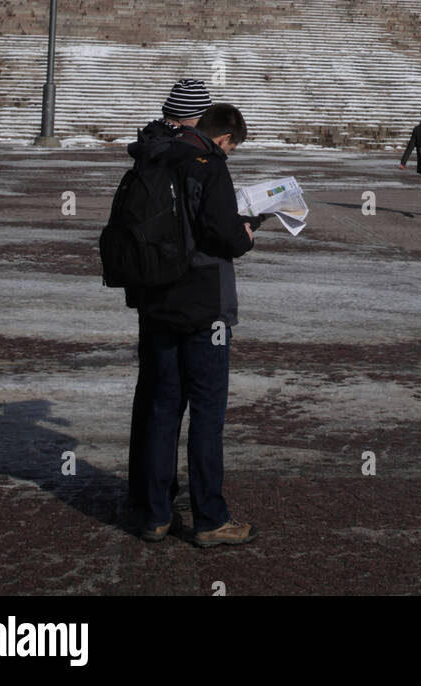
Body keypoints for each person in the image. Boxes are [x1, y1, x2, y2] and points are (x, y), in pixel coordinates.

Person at [131, 102, 262, 547]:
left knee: (163, 408)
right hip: (204, 305)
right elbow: (224, 234)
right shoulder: (210, 166)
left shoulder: (156, 154)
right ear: (224, 138)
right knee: (207, 412)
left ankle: (154, 514)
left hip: (157, 299)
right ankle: (210, 518)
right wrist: (247, 231)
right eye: (232, 147)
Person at [127, 78, 213, 512]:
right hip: (186, 290)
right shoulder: (190, 154)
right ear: (196, 115)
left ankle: (149, 503)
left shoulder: (149, 146)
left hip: (149, 286)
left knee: (156, 397)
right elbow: (212, 228)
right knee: (194, 403)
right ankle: (203, 513)